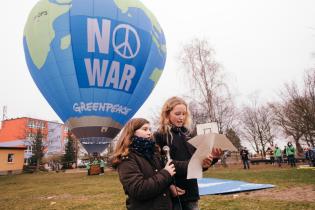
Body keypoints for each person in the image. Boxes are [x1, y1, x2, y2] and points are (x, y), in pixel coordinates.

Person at [154, 96, 220, 210]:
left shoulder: (188, 135)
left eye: (184, 114)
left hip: (191, 192)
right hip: (172, 193)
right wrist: (169, 186)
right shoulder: (159, 135)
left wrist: (212, 159)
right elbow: (158, 165)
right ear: (167, 114)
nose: (181, 118)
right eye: (177, 114)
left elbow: (197, 166)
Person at [111, 118, 176, 210]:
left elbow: (161, 175)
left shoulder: (153, 153)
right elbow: (139, 189)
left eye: (150, 129)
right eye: (145, 129)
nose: (149, 133)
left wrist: (169, 187)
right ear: (132, 132)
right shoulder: (127, 158)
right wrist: (166, 173)